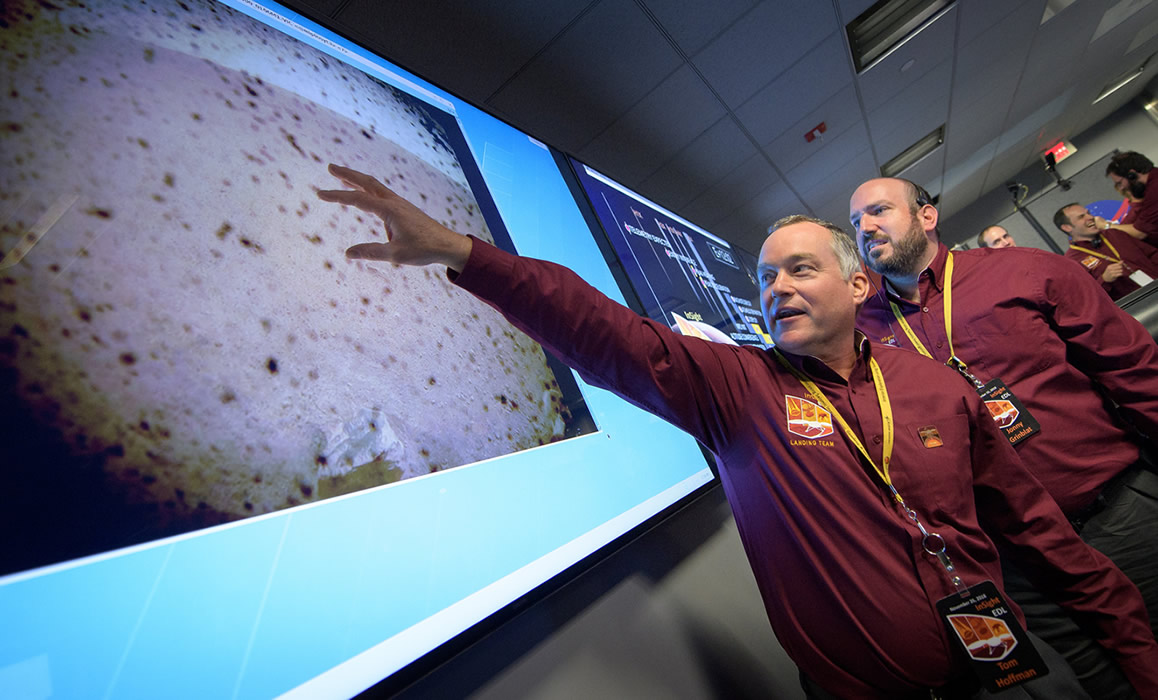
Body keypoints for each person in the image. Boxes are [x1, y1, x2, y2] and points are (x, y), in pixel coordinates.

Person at [317, 164, 1158, 699]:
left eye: (801, 268)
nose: (777, 288)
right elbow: (604, 330)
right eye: (765, 277)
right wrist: (466, 253)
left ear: (859, 285)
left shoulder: (934, 389)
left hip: (1002, 675)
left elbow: (1047, 541)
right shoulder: (741, 388)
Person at [851, 177, 1158, 699]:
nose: (866, 228)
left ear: (927, 216)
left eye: (879, 210)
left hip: (1117, 517)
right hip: (1019, 569)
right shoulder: (862, 337)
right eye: (855, 223)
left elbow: (1135, 373)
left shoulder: (1027, 270)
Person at [1055, 203, 1158, 300]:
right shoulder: (1072, 262)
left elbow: (1152, 254)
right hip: (1138, 305)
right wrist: (1104, 280)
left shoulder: (1115, 233)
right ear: (1067, 227)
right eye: (1081, 217)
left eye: (1088, 213)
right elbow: (1087, 299)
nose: (1090, 217)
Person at [1105, 151, 1158, 245]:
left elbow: (1140, 232)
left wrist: (1106, 225)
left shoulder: (1154, 190)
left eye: (1119, 183)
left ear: (1132, 175)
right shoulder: (1152, 182)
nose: (1121, 188)